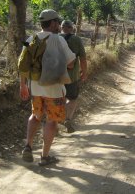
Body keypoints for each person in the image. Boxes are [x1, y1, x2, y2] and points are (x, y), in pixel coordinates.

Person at [19, 9, 75, 166]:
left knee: (35, 115)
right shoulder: (59, 40)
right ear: (52, 23)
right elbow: (70, 62)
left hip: (35, 87)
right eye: (57, 21)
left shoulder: (31, 39)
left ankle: (28, 146)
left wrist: (23, 85)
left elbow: (23, 65)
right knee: (51, 121)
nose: (58, 24)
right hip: (54, 89)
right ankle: (44, 157)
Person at [59, 20, 87, 133]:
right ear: (72, 28)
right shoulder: (76, 39)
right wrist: (84, 72)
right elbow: (83, 58)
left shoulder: (55, 38)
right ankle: (68, 119)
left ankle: (56, 120)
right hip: (72, 76)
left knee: (58, 99)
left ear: (61, 28)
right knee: (73, 99)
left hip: (56, 76)